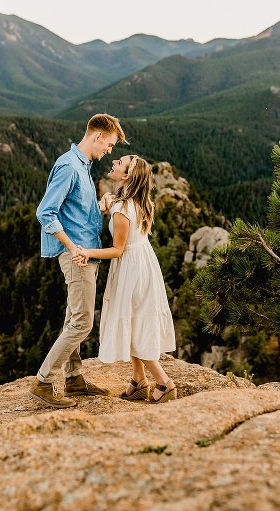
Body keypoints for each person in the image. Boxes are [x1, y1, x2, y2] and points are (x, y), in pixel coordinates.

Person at [30, 113, 128, 409]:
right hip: (79, 256)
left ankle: (73, 379)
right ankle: (44, 382)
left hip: (86, 251)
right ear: (98, 136)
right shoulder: (70, 166)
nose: (109, 151)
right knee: (83, 322)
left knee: (73, 317)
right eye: (109, 144)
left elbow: (74, 212)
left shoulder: (82, 166)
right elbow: (45, 212)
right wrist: (73, 248)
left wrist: (99, 207)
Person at [74, 155, 177, 404]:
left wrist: (87, 252)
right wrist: (109, 202)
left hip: (130, 268)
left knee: (134, 325)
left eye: (121, 162)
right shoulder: (136, 202)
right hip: (143, 264)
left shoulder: (122, 209)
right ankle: (139, 379)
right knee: (134, 320)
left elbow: (117, 249)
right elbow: (123, 217)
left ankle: (163, 382)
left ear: (127, 175)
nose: (116, 161)